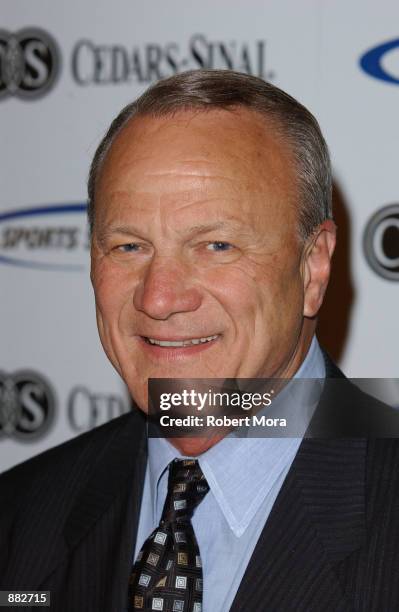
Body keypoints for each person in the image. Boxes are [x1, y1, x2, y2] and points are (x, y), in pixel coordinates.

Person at [1, 69, 398, 612]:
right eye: (128, 246)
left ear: (313, 268)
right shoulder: (21, 518)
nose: (159, 299)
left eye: (216, 244)